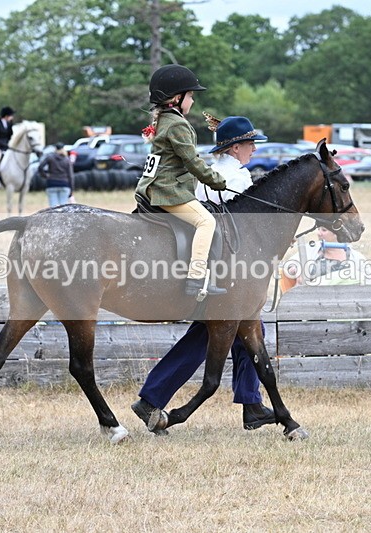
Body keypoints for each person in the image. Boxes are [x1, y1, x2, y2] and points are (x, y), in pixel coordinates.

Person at [132, 115, 274, 435]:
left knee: (221, 333)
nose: (253, 149)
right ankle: (250, 403)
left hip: (208, 260)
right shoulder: (237, 178)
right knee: (240, 329)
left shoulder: (211, 172)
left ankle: (249, 402)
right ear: (235, 148)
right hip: (224, 268)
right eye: (250, 144)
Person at [135, 64, 228, 299]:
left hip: (152, 186)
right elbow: (192, 162)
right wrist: (218, 181)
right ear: (177, 98)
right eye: (191, 96)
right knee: (206, 222)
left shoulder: (164, 120)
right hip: (167, 190)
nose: (193, 101)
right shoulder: (177, 124)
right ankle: (196, 279)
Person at [278, 226, 371, 292]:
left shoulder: (357, 258)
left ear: (337, 233)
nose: (319, 233)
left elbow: (368, 287)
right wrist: (295, 270)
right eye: (318, 229)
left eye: (324, 230)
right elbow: (288, 266)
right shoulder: (311, 249)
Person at [38, 142, 74, 207]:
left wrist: (45, 176)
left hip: (52, 183)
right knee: (63, 207)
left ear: (55, 149)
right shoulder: (67, 160)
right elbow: (70, 176)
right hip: (64, 184)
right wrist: (71, 190)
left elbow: (40, 167)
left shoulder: (50, 157)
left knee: (53, 207)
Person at [0, 106, 16, 188]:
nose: (12, 117)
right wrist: (5, 145)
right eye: (11, 116)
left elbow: (10, 136)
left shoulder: (9, 124)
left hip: (7, 147)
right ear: (6, 116)